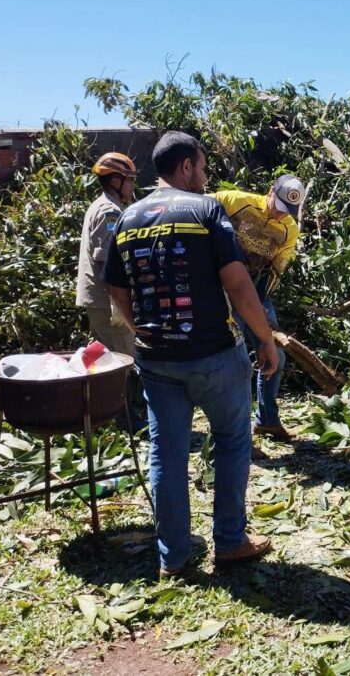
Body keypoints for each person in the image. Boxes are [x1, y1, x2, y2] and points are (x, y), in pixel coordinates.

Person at [104, 131, 278, 577]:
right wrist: (265, 338)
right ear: (185, 167)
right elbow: (238, 284)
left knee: (166, 452)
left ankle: (174, 556)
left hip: (156, 358)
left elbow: (116, 290)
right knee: (233, 440)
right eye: (201, 167)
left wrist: (142, 328)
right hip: (214, 354)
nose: (204, 175)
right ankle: (230, 542)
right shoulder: (205, 210)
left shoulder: (127, 218)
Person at [211, 175, 305, 443]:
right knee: (236, 361)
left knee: (276, 356)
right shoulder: (233, 201)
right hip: (221, 293)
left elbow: (277, 269)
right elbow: (197, 211)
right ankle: (235, 433)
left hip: (256, 293)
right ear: (271, 192)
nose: (280, 215)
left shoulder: (289, 229)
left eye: (287, 211)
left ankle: (267, 420)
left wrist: (260, 306)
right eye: (279, 207)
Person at [75, 152, 145, 430]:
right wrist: (119, 303)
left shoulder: (104, 206)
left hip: (99, 300)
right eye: (130, 180)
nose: (132, 187)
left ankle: (101, 413)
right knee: (122, 361)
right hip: (107, 301)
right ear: (116, 181)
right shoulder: (109, 212)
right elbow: (106, 261)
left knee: (106, 358)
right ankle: (124, 418)